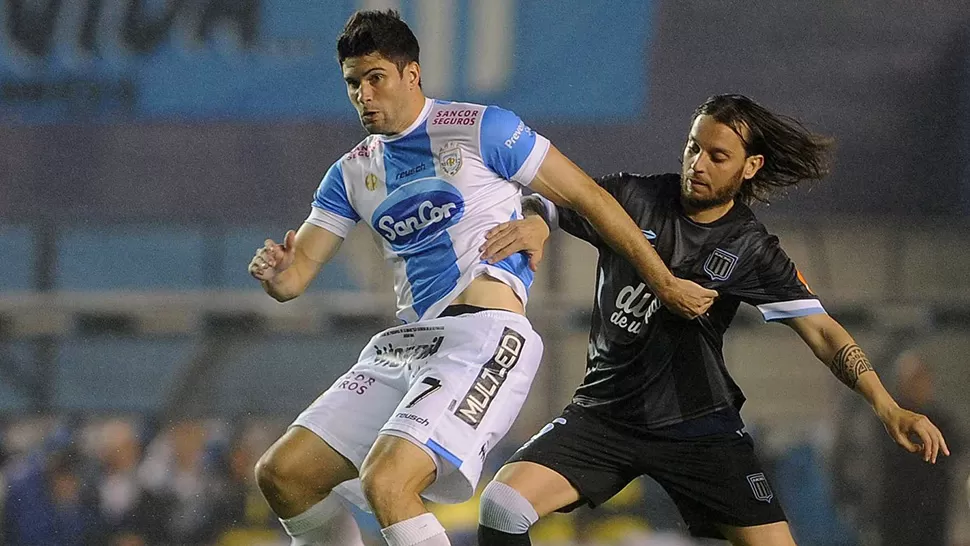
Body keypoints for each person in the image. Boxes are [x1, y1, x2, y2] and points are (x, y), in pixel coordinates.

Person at [247, 10, 716, 546]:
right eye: (353, 83)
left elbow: (588, 197)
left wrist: (663, 280)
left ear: (411, 74)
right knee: (282, 475)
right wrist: (277, 273)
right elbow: (295, 278)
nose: (364, 95)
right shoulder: (351, 173)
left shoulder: (479, 127)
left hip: (484, 337)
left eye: (376, 78)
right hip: (405, 346)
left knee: (388, 480)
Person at [475, 94, 951, 546]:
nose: (697, 164)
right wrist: (538, 221)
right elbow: (557, 198)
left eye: (717, 156)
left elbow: (824, 332)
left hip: (701, 430)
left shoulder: (752, 247)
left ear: (751, 166)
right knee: (501, 504)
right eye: (693, 147)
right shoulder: (632, 195)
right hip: (605, 416)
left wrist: (888, 407)